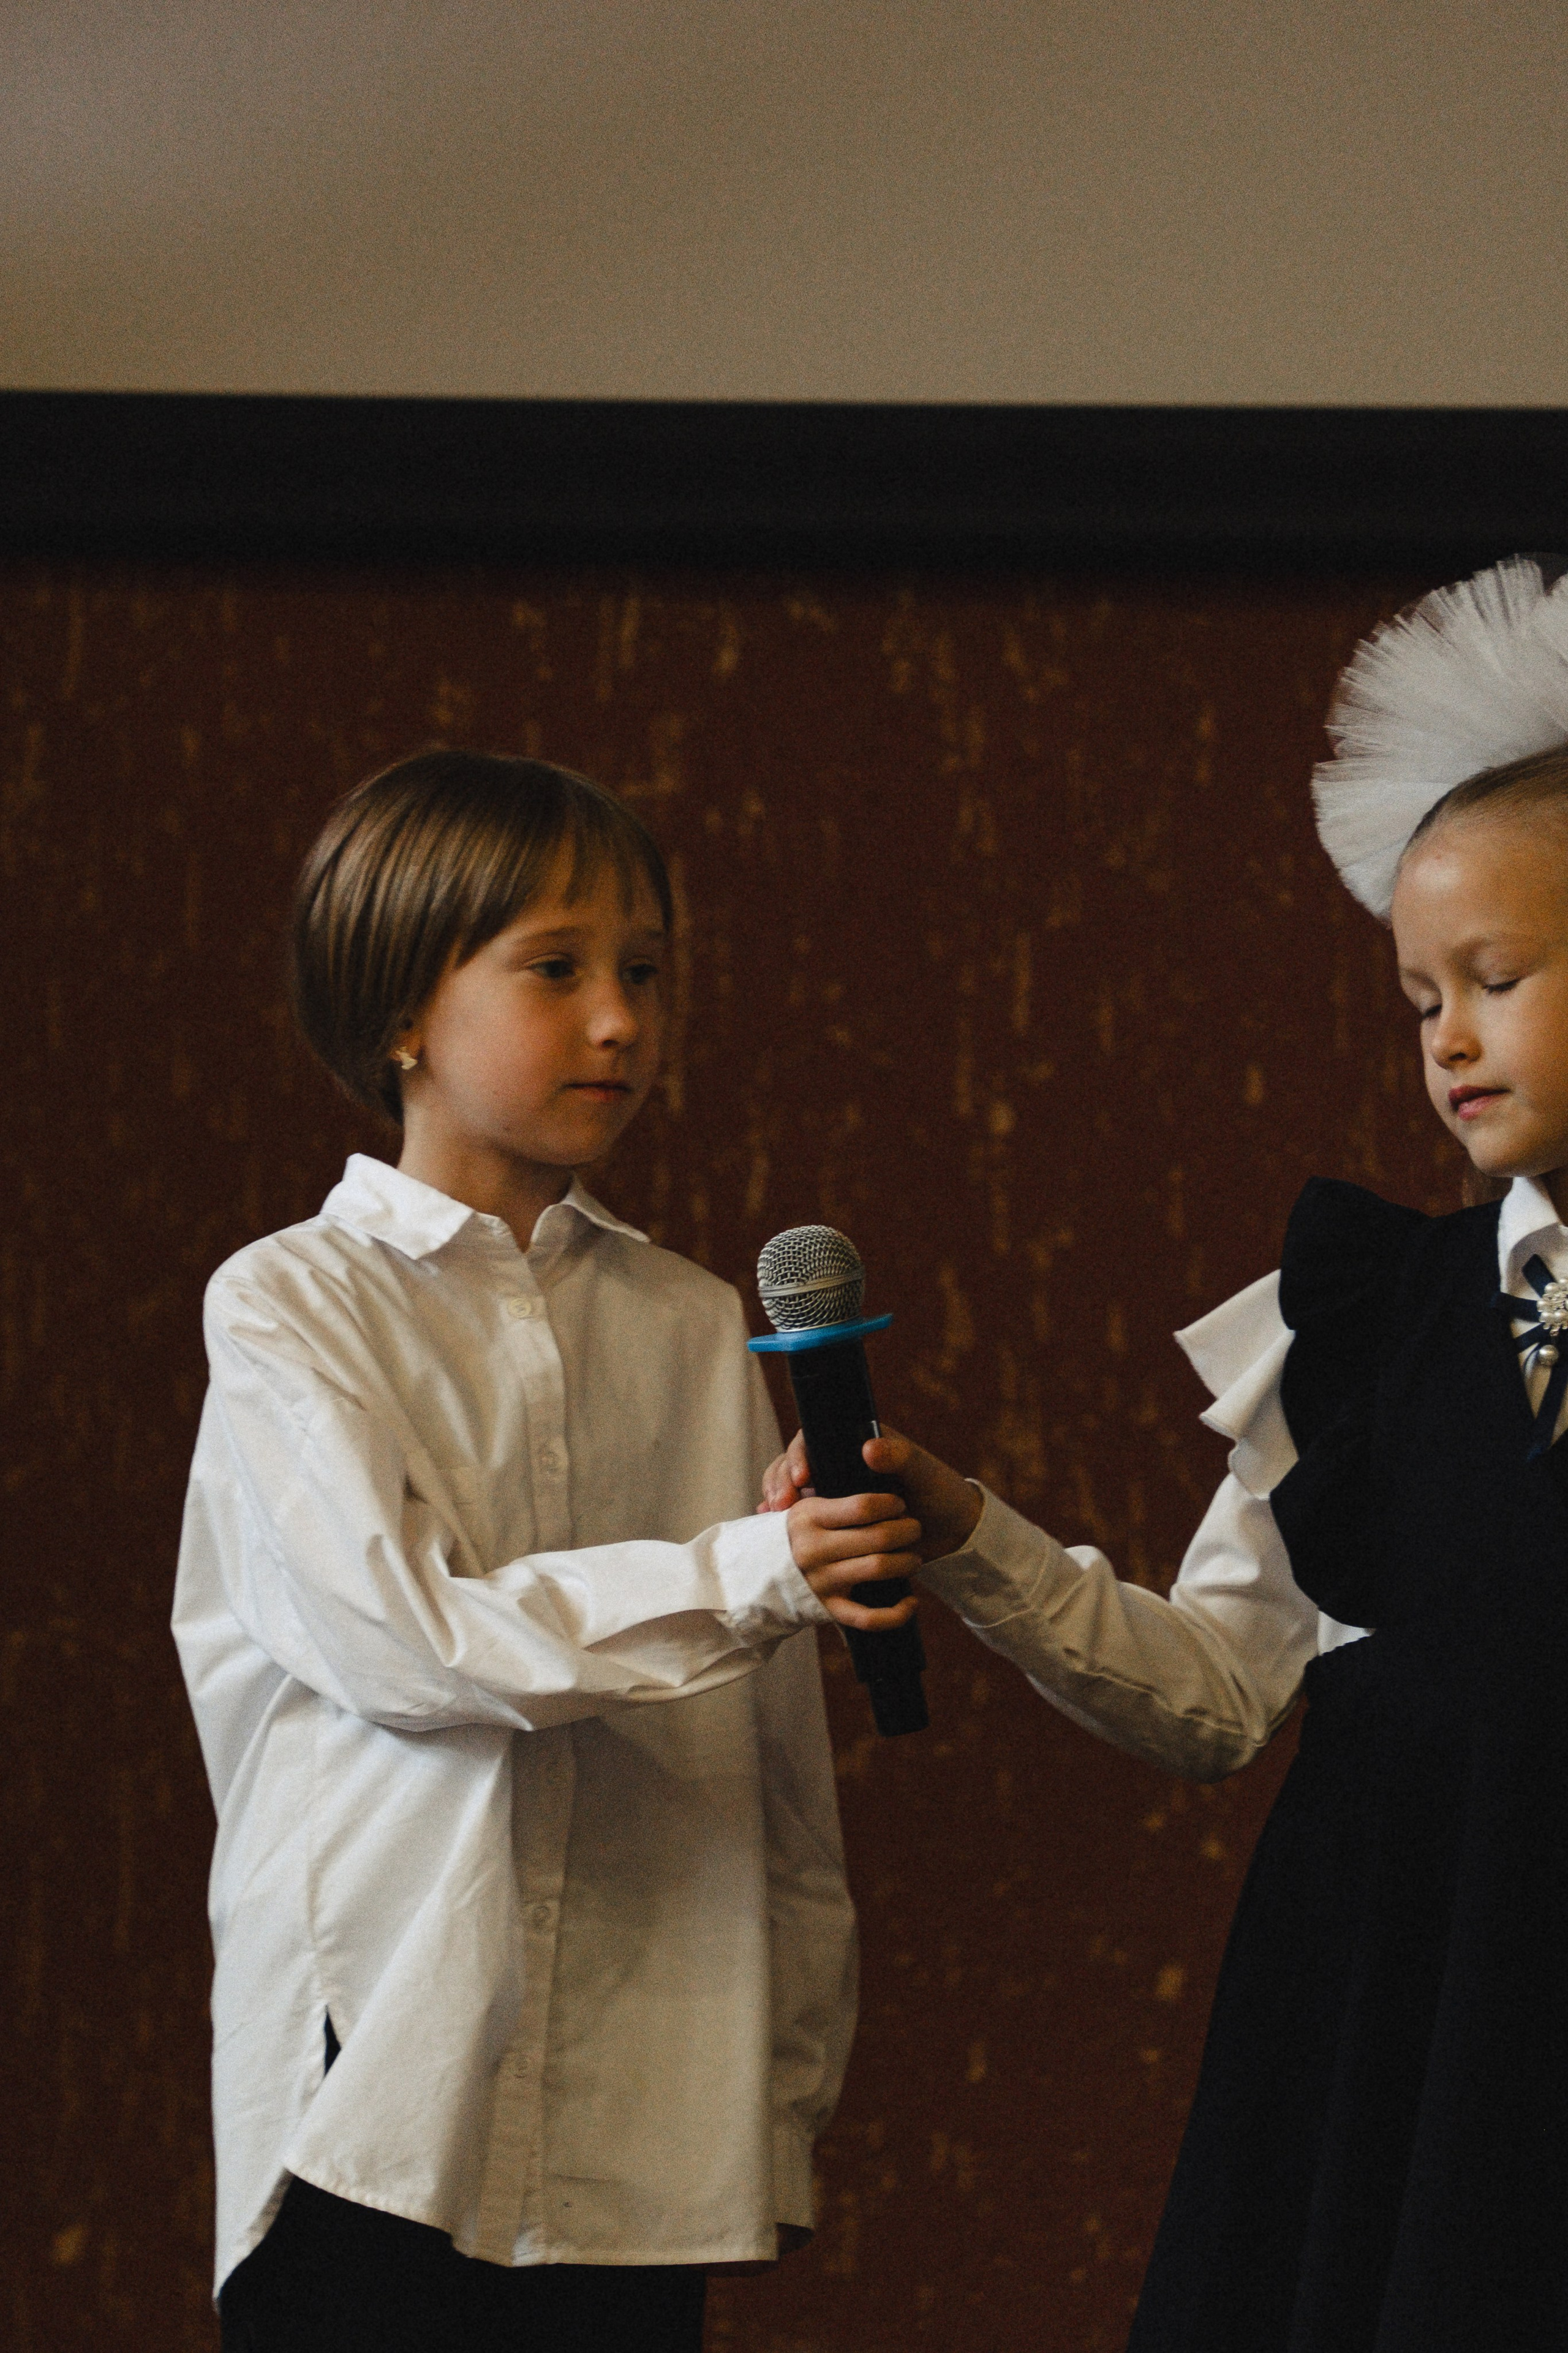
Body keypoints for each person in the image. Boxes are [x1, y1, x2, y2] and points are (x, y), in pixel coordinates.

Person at [764, 557, 1568, 2351]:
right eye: (1417, 990)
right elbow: (1214, 1692)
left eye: (1497, 976)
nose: (1445, 1031)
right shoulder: (1357, 1322)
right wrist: (966, 1528)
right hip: (1395, 2029)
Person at [173, 750, 922, 2353]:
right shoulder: (292, 1303)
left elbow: (768, 1741)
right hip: (380, 2089)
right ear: (401, 1009)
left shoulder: (693, 1317)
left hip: (643, 2104)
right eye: (558, 968)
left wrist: (784, 2065)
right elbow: (406, 1638)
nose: (621, 1020)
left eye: (645, 971)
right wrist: (752, 1567)